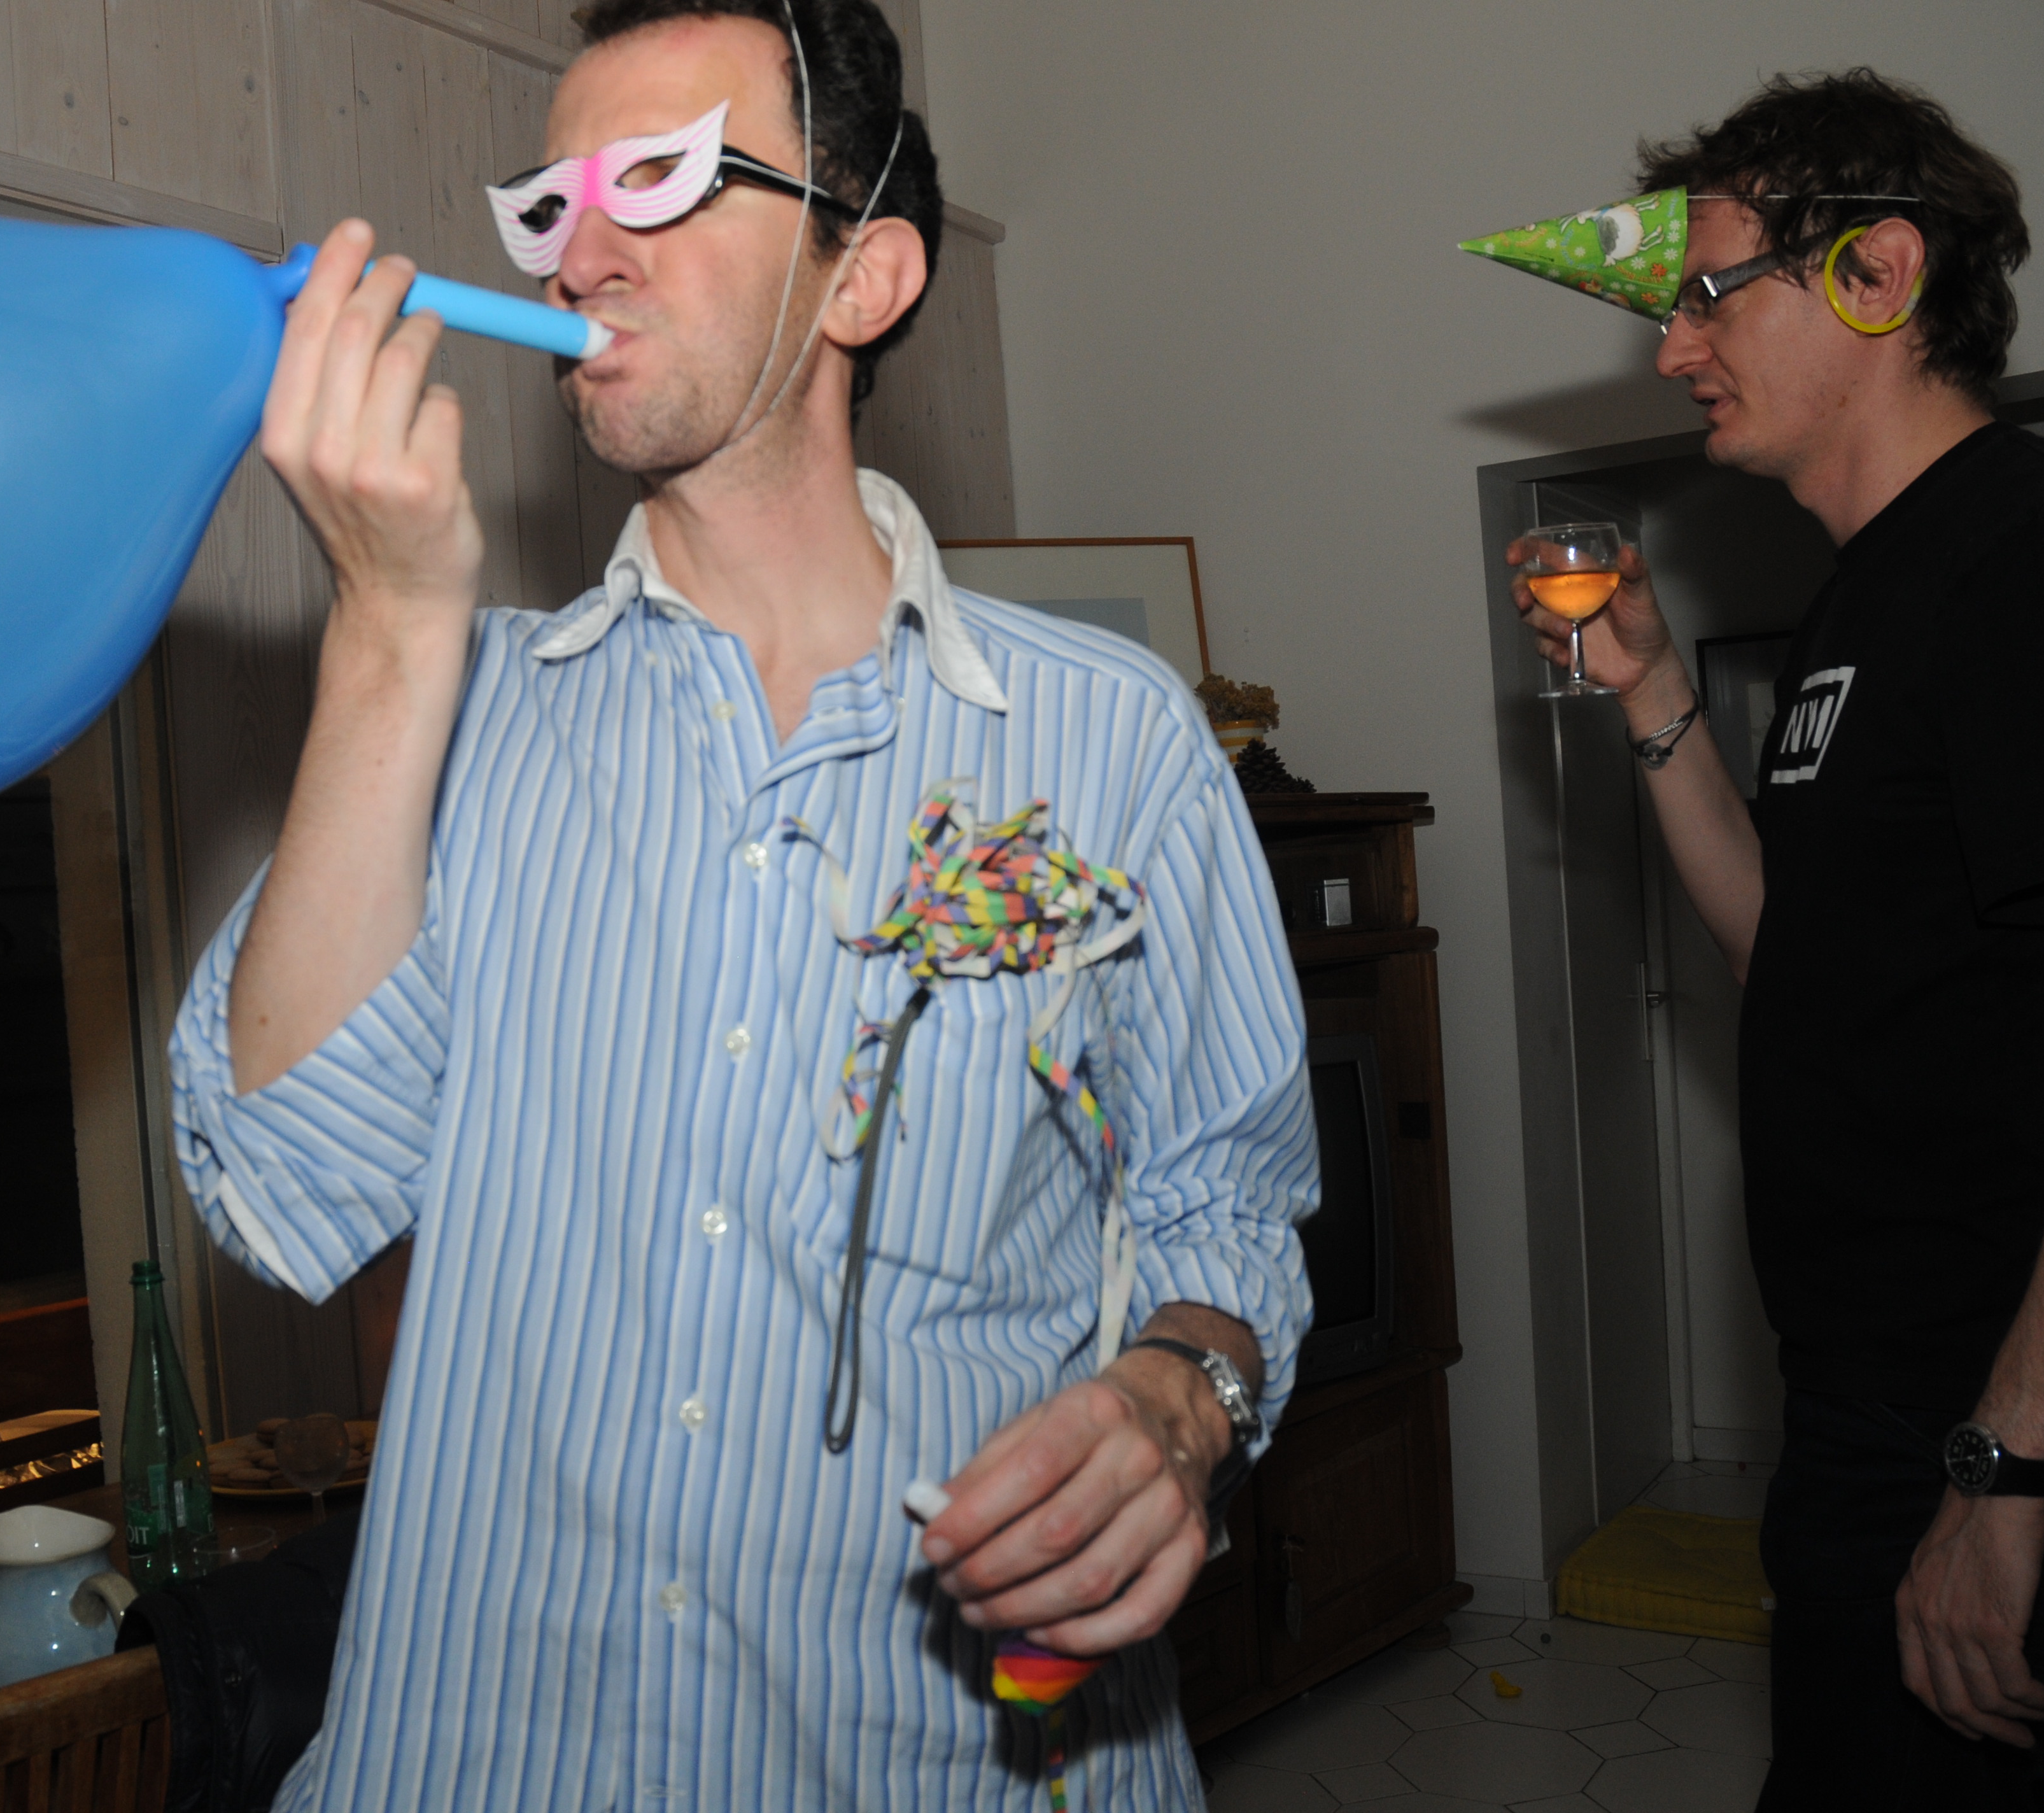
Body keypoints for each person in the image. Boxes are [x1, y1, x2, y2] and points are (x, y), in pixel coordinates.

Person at [167, 1, 1317, 1805]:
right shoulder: (454, 712)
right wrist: (387, 628)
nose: (581, 252)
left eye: (661, 181)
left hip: (951, 1761)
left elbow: (1224, 1211)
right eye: (551, 205)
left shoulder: (1118, 741)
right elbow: (282, 1192)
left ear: (864, 277)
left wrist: (1182, 1399)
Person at [1511, 69, 2044, 1810]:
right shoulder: (1859, 598)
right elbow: (1794, 958)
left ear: (1878, 275)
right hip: (1881, 1421)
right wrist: (1652, 694)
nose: (1673, 347)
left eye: (1710, 294)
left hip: (2030, 1435)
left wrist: (2006, 1469)